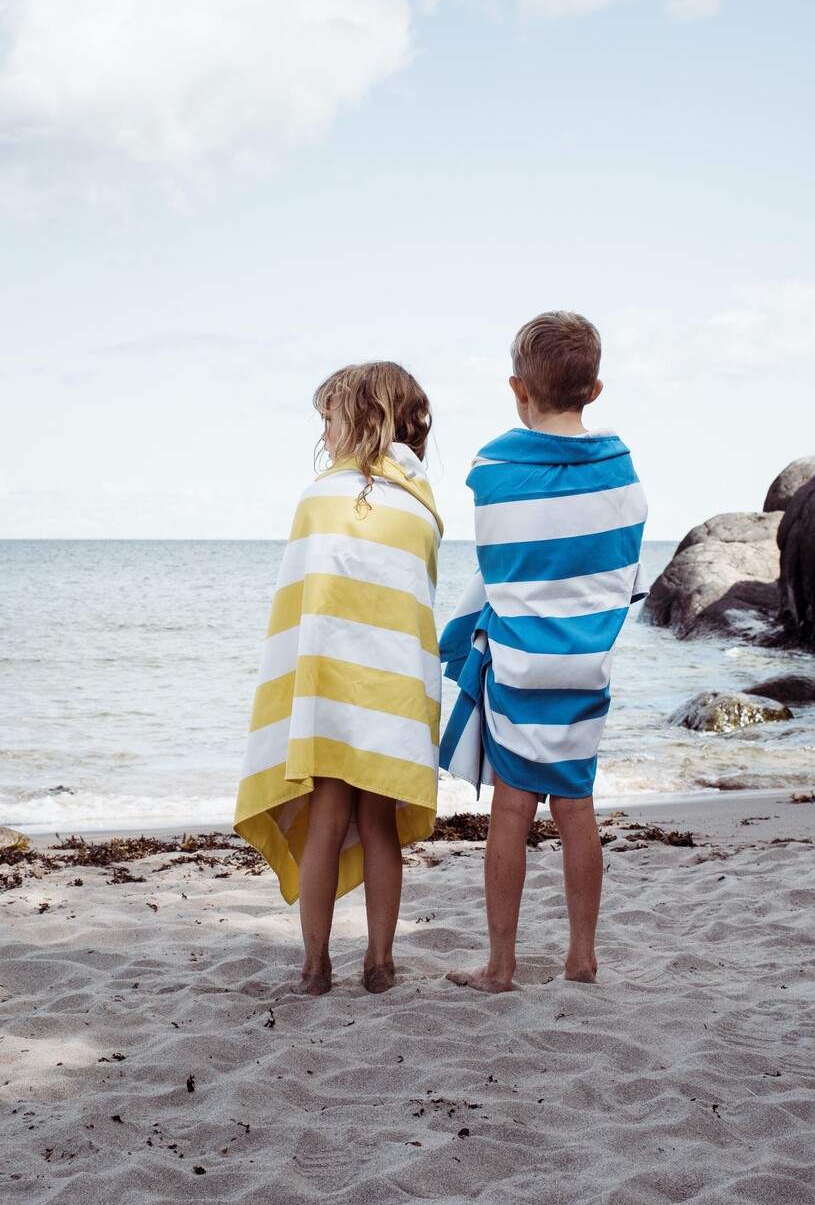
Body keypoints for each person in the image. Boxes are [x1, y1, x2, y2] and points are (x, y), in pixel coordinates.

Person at [439, 312, 648, 992]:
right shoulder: (622, 476)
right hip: (586, 669)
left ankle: (501, 965)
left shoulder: (493, 470)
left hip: (520, 670)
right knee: (577, 808)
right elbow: (621, 577)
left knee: (511, 810)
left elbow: (503, 570)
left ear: (515, 387)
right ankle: (581, 958)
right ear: (595, 390)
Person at [234, 362, 444, 995]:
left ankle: (315, 964)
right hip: (391, 691)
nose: (324, 430)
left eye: (329, 416)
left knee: (327, 816)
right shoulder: (420, 506)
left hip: (325, 687)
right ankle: (380, 964)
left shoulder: (318, 499)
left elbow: (303, 611)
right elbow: (410, 607)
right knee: (378, 825)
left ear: (358, 416)